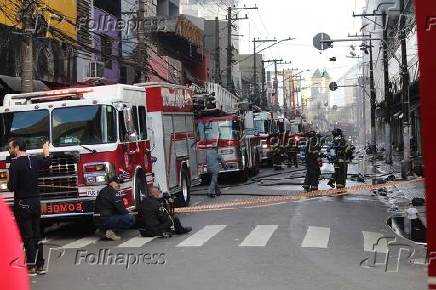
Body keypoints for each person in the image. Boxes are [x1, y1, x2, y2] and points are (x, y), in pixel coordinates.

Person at [8, 138, 51, 276]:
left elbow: (11, 187)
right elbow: (47, 163)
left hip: (22, 203)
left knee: (28, 236)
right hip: (35, 202)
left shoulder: (14, 165)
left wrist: (9, 174)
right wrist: (46, 152)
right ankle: (40, 265)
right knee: (37, 233)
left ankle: (31, 266)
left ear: (16, 147)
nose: (9, 150)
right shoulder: (34, 160)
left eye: (10, 148)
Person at [94, 176, 135, 241]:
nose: (119, 185)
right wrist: (129, 212)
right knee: (130, 218)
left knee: (116, 215)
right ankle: (109, 231)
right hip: (106, 219)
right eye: (117, 183)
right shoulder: (114, 192)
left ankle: (102, 230)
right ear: (112, 183)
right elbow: (121, 209)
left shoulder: (102, 191)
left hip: (98, 219)